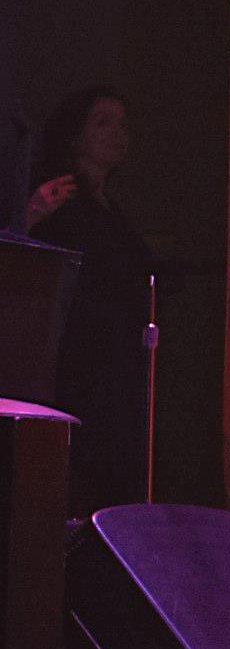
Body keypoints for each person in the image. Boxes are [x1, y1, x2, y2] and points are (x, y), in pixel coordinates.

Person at [28, 86, 154, 516]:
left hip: (122, 363)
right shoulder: (58, 203)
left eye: (122, 124)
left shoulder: (112, 208)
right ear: (75, 135)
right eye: (103, 123)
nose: (117, 134)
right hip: (82, 364)